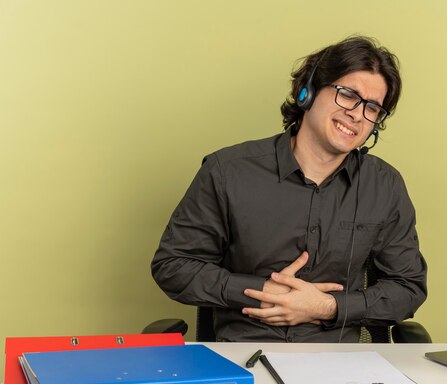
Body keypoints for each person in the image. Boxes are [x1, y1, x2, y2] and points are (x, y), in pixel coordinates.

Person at [151, 35, 427, 342]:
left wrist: (327, 307)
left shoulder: (383, 186)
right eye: (348, 94)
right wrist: (259, 291)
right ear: (308, 91)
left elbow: (408, 288)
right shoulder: (228, 171)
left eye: (372, 108)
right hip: (244, 359)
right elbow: (173, 266)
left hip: (341, 368)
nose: (357, 114)